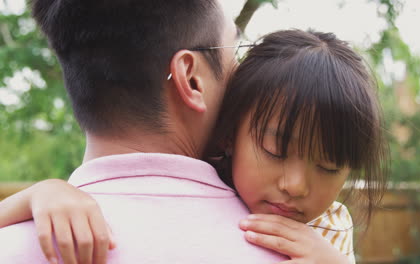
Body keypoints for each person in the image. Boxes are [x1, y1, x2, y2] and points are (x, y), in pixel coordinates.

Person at [1, 29, 388, 263]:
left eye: (329, 166)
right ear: (228, 133)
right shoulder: (186, 185)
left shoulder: (331, 228)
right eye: (275, 149)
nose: (296, 184)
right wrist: (45, 193)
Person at [0, 0, 290, 263]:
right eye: (235, 54)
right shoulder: (295, 249)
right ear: (191, 79)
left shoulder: (12, 243)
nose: (240, 74)